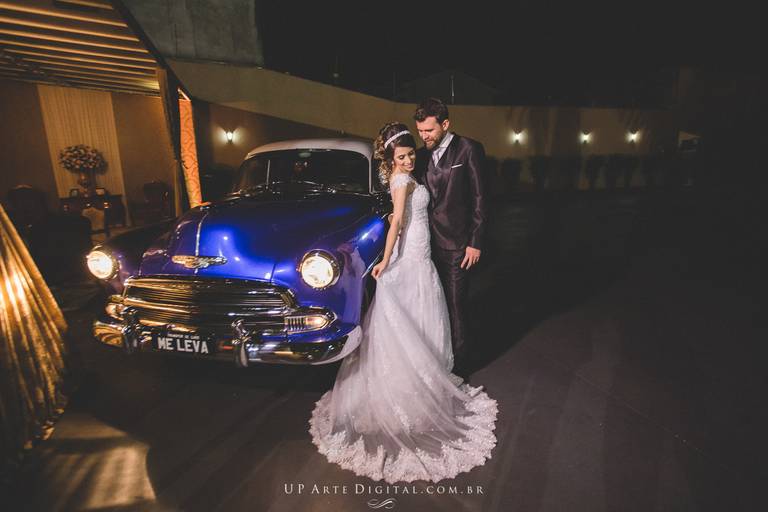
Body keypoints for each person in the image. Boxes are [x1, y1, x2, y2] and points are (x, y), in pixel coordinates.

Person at [309, 122, 497, 484]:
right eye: (402, 157)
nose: (410, 160)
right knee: (409, 312)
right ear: (391, 159)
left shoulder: (406, 176)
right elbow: (396, 221)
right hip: (411, 254)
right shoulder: (400, 181)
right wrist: (385, 259)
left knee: (421, 311)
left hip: (420, 250)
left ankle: (428, 376)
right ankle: (412, 388)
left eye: (411, 155)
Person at [413, 97, 488, 375]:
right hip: (426, 245)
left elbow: (480, 198)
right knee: (434, 306)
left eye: (429, 130)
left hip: (458, 245)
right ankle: (439, 360)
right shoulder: (420, 155)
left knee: (456, 307)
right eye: (420, 131)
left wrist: (475, 243)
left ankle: (459, 368)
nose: (424, 136)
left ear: (445, 124)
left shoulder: (468, 149)